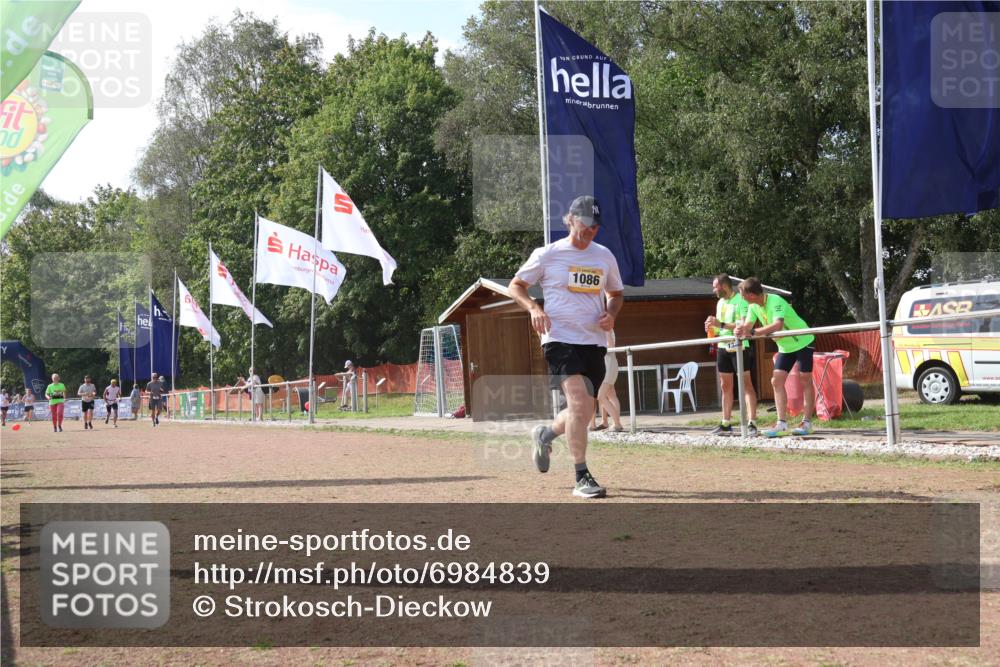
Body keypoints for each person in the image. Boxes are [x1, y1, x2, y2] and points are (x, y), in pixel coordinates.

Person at [510, 195, 624, 499]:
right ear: (570, 219)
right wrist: (534, 308)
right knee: (578, 404)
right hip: (558, 338)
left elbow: (616, 293)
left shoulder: (604, 257)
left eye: (595, 227)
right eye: (585, 225)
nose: (590, 231)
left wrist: (611, 313)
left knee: (584, 411)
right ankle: (581, 475)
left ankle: (546, 434)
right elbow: (516, 286)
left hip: (593, 341)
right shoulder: (548, 254)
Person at [735, 277, 816, 437]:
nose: (741, 298)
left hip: (802, 339)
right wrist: (740, 330)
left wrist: (752, 332)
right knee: (776, 381)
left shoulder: (775, 300)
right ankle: (781, 423)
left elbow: (777, 325)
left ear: (751, 294)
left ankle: (807, 422)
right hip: (785, 346)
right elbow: (748, 326)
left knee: (805, 378)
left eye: (742, 294)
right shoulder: (752, 306)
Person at [705, 274, 759, 436]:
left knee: (746, 384)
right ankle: (726, 423)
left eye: (715, 287)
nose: (713, 290)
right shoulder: (720, 302)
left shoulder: (741, 300)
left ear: (724, 286)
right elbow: (719, 328)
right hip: (723, 346)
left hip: (740, 346)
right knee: (725, 385)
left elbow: (742, 325)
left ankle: (752, 423)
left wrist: (719, 324)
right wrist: (711, 328)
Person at [591, 329, 624, 432]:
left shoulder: (605, 327)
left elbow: (610, 346)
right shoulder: (606, 327)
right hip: (610, 362)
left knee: (600, 396)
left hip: (607, 363)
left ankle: (617, 424)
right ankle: (615, 423)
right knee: (611, 395)